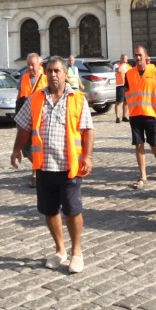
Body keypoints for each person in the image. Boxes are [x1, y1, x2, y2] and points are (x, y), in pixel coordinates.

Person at [10, 56, 94, 274]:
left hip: (70, 165)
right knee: (49, 210)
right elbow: (24, 127)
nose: (52, 75)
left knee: (72, 210)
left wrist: (88, 156)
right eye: (49, 71)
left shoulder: (77, 99)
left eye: (57, 71)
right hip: (44, 165)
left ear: (65, 73)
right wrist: (17, 149)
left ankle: (77, 252)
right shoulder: (35, 98)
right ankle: (60, 250)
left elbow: (88, 130)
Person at [125, 45, 156, 187]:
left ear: (146, 56)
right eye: (135, 55)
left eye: (140, 55)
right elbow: (127, 91)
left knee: (154, 144)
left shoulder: (155, 72)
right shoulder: (129, 74)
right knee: (138, 144)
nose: (137, 58)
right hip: (135, 114)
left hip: (151, 113)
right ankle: (142, 175)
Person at [16, 54, 47, 189]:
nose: (29, 67)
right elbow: (19, 96)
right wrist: (17, 116)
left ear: (39, 65)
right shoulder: (23, 78)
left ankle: (36, 173)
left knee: (37, 146)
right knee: (25, 146)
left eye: (32, 65)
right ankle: (42, 167)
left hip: (40, 116)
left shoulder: (46, 79)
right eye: (28, 64)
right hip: (25, 116)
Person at [113, 54, 130, 123]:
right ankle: (117, 117)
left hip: (127, 86)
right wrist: (123, 64)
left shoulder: (129, 66)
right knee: (119, 102)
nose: (124, 59)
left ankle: (124, 116)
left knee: (126, 102)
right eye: (123, 58)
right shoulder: (117, 65)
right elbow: (119, 70)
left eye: (125, 58)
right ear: (120, 58)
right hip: (120, 85)